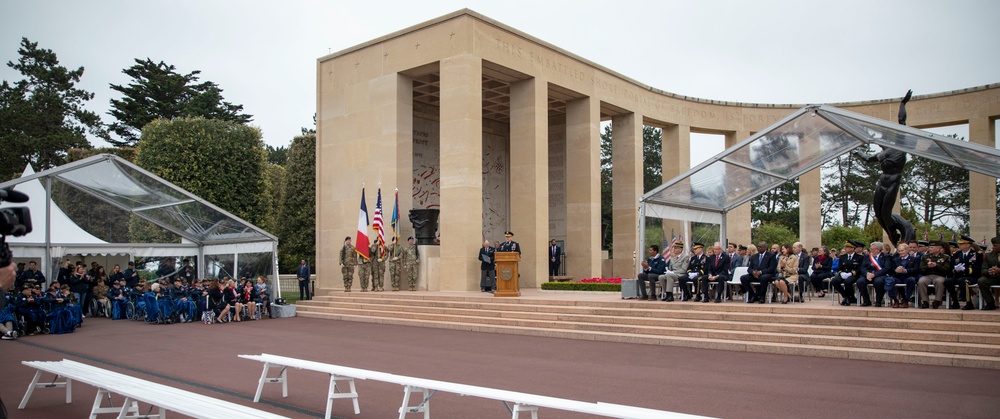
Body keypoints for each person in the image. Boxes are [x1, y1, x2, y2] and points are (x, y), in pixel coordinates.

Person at [947, 235, 983, 310]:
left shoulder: (977, 254)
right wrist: (956, 270)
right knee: (948, 281)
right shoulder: (956, 254)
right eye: (959, 244)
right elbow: (951, 268)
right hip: (959, 275)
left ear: (968, 245)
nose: (959, 245)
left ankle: (968, 303)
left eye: (962, 244)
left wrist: (965, 269)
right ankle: (955, 301)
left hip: (972, 276)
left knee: (963, 281)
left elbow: (977, 269)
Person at [857, 242, 893, 307]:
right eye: (871, 249)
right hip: (868, 275)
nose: (871, 250)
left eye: (873, 249)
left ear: (878, 250)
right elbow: (862, 268)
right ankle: (866, 301)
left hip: (880, 275)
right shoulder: (867, 256)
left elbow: (886, 269)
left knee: (878, 282)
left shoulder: (886, 257)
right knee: (860, 281)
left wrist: (874, 274)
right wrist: (867, 274)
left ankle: (878, 301)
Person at [917, 241, 952, 309]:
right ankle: (925, 301)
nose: (930, 249)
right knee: (921, 281)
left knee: (939, 282)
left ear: (938, 249)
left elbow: (946, 269)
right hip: (927, 275)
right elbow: (921, 268)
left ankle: (937, 301)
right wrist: (928, 267)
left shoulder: (945, 257)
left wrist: (936, 265)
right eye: (929, 247)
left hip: (939, 275)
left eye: (932, 247)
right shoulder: (925, 257)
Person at [832, 241, 865, 306]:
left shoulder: (860, 257)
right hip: (844, 273)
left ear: (852, 248)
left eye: (847, 247)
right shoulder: (842, 257)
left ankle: (850, 298)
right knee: (834, 281)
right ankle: (846, 296)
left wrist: (851, 273)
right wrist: (841, 273)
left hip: (854, 274)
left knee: (848, 282)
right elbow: (839, 268)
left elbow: (859, 269)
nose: (845, 248)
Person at [890, 243, 919, 308]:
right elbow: (891, 270)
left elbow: (916, 269)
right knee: (890, 280)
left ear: (907, 250)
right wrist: (896, 270)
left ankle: (906, 300)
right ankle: (895, 300)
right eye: (899, 251)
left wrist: (905, 270)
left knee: (911, 280)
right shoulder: (895, 260)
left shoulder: (914, 259)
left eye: (902, 250)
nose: (901, 252)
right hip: (898, 277)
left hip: (908, 277)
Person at [976, 237, 1000, 310]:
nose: (993, 247)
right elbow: (983, 269)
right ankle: (990, 303)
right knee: (981, 281)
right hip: (993, 277)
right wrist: (989, 271)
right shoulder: (989, 256)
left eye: (995, 246)